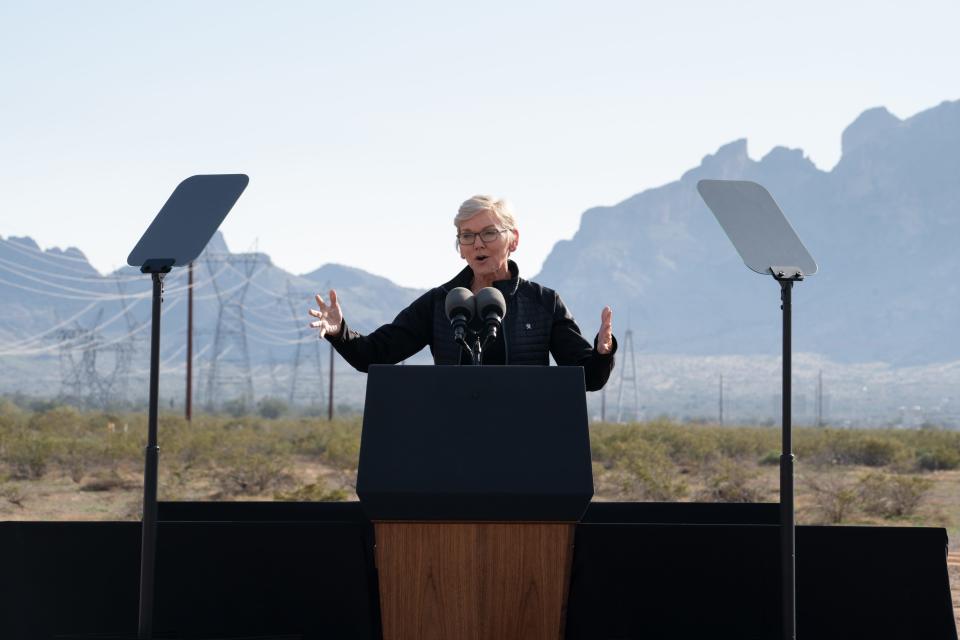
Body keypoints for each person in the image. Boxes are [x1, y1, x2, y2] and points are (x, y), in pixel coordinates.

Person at [309, 195, 616, 391]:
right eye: (467, 236)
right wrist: (340, 332)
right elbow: (374, 354)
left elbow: (588, 378)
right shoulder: (440, 302)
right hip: (452, 444)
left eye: (489, 233)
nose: (477, 244)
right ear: (460, 249)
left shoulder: (543, 303)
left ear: (514, 240)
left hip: (526, 444)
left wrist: (603, 352)